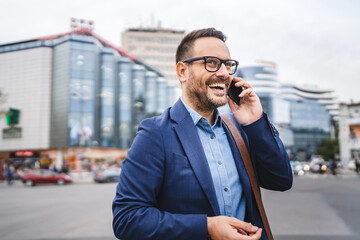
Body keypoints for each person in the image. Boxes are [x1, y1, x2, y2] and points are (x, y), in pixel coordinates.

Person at [112, 28, 293, 240]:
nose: (224, 73)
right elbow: (128, 219)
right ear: (182, 72)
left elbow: (281, 180)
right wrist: (207, 227)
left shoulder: (239, 130)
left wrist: (255, 121)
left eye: (227, 65)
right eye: (212, 63)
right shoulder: (155, 133)